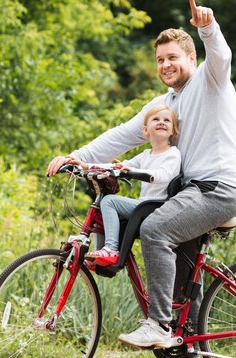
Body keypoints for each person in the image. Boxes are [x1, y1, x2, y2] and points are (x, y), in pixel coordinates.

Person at [47, 0, 236, 358]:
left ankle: (157, 324)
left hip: (218, 188)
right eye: (160, 60)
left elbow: (220, 56)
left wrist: (207, 27)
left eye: (173, 57)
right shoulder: (165, 104)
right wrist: (77, 157)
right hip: (190, 192)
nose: (166, 65)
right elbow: (121, 137)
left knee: (155, 229)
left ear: (190, 58)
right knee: (183, 279)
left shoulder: (211, 81)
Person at [70, 104, 181, 267]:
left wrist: (132, 171)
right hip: (144, 205)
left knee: (110, 201)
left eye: (166, 120)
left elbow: (162, 175)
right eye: (156, 119)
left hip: (157, 207)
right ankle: (100, 256)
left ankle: (111, 250)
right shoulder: (145, 155)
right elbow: (119, 167)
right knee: (102, 204)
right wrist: (86, 166)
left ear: (173, 130)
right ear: (145, 130)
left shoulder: (173, 153)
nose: (161, 122)